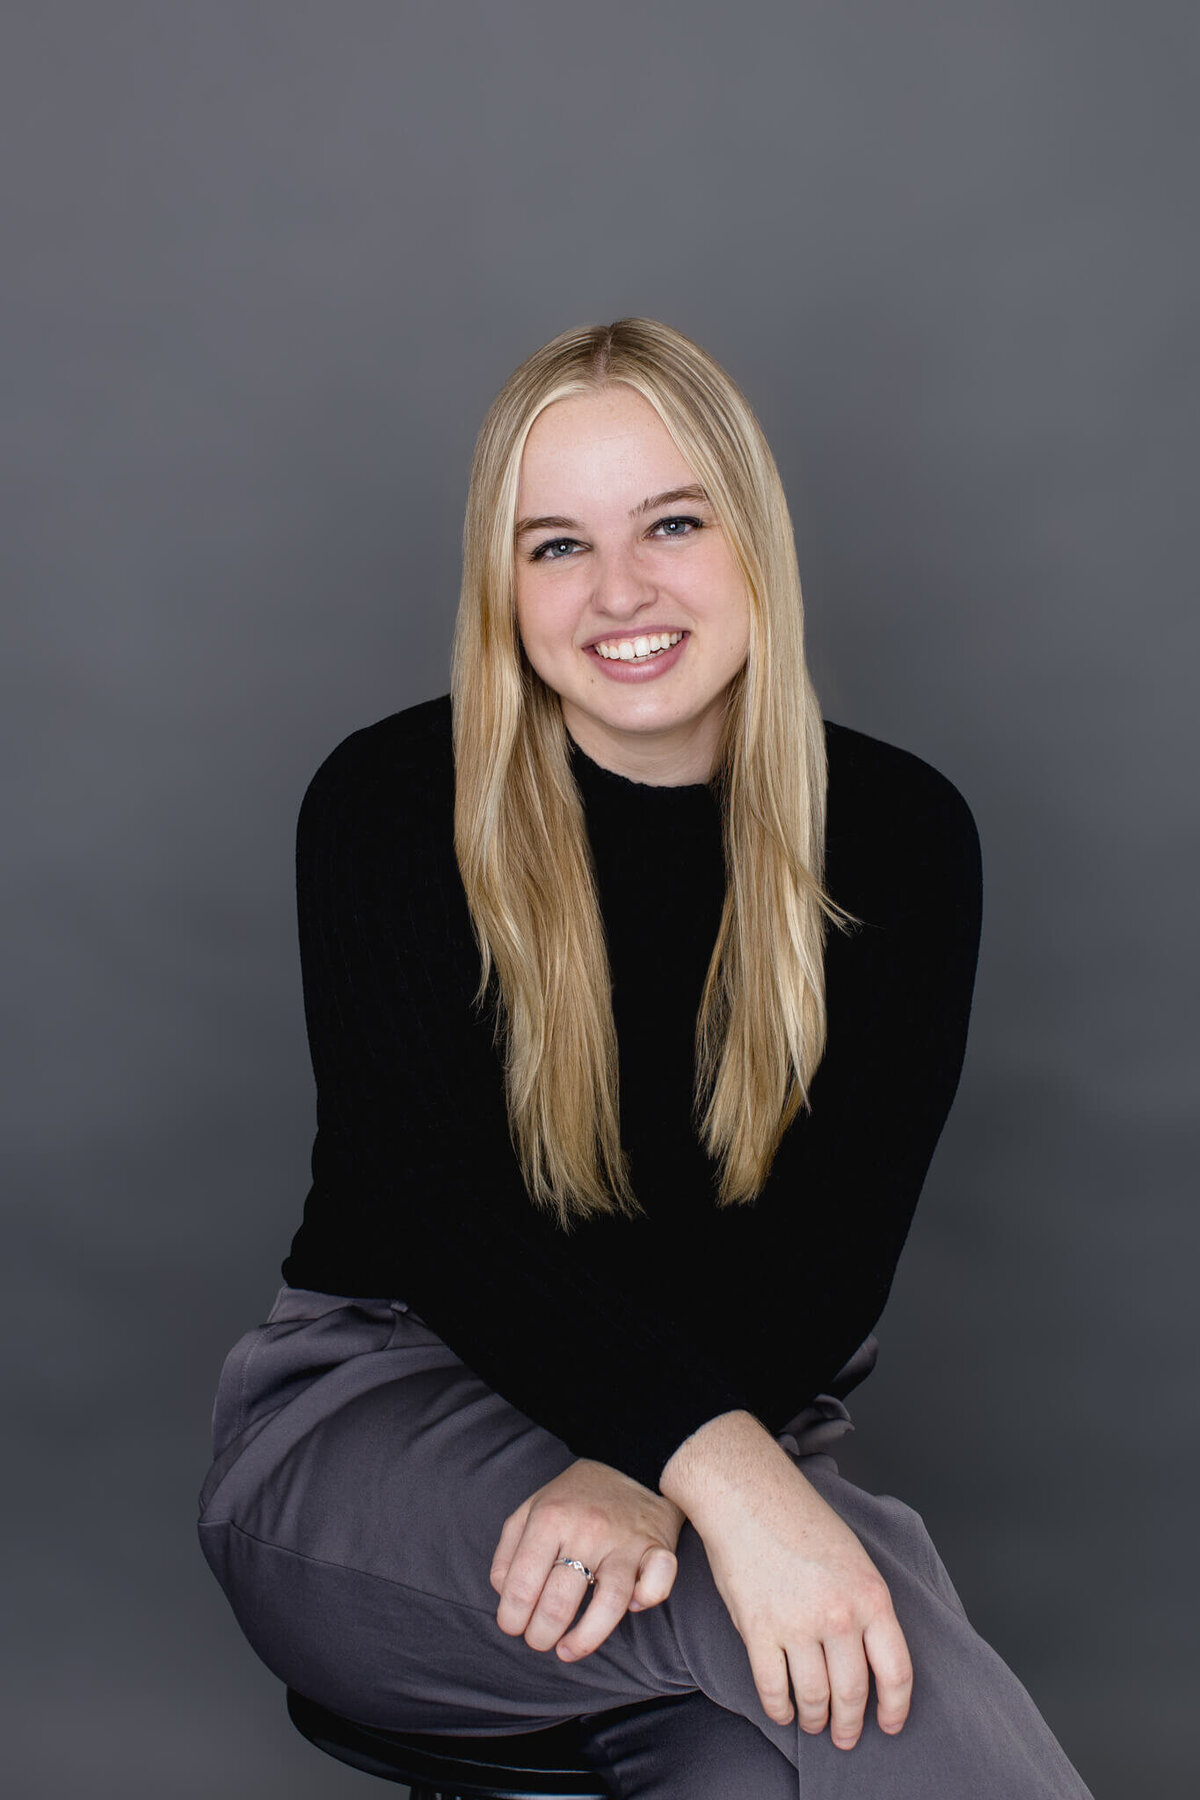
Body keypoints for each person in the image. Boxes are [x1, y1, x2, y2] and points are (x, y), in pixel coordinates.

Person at [198, 317, 1095, 1798]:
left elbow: (830, 1255)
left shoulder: (899, 836)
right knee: (861, 1633)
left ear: (755, 536)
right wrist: (729, 1487)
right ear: (504, 587)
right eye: (556, 546)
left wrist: (659, 1472)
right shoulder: (388, 803)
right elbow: (443, 1217)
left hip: (715, 1442)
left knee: (790, 1752)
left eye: (672, 522)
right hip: (377, 1427)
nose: (621, 590)